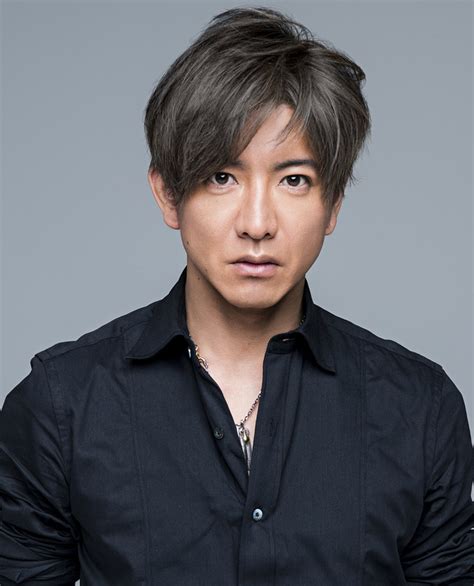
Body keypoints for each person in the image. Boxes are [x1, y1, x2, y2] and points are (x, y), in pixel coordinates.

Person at [1, 5, 472, 585]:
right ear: (168, 195)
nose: (257, 223)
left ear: (333, 205)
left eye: (294, 179)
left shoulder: (419, 409)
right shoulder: (61, 405)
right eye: (221, 177)